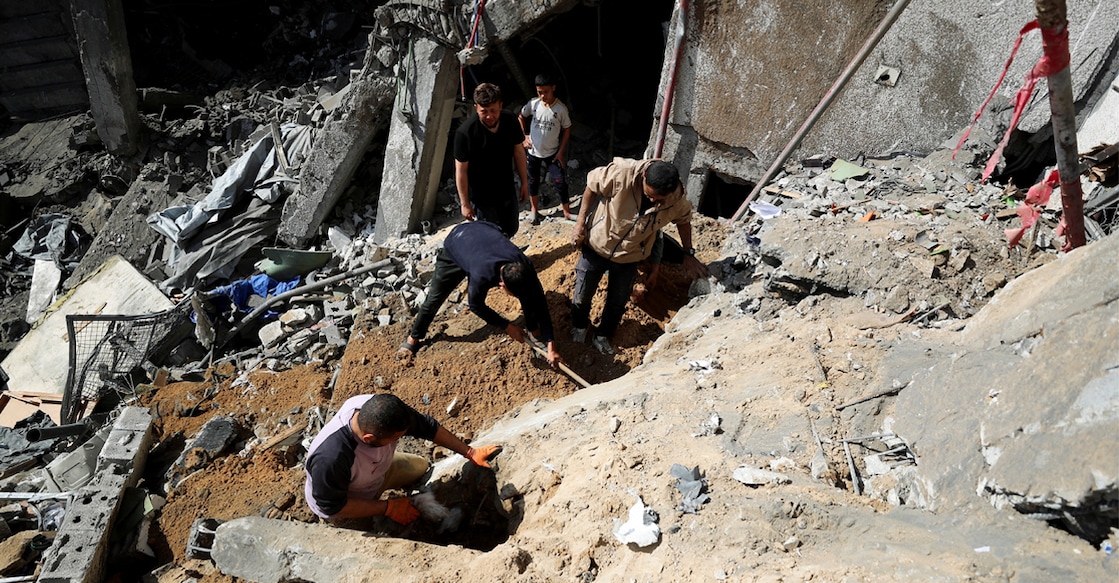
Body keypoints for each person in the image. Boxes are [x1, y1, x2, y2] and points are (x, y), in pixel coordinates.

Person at [570, 158, 708, 355]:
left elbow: (684, 220)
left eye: (659, 199)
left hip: (629, 256)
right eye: (649, 195)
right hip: (597, 245)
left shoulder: (675, 199)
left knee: (617, 302)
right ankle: (580, 327)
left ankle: (602, 336)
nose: (653, 201)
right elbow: (591, 186)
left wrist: (688, 253)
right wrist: (580, 222)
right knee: (582, 295)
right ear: (644, 176)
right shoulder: (621, 174)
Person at [303, 393, 500, 523]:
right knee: (366, 526)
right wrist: (388, 508)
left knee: (421, 467)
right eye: (395, 438)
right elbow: (332, 506)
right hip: (347, 499)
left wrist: (469, 452)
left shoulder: (381, 410)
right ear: (369, 438)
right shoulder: (331, 458)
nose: (400, 438)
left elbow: (426, 426)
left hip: (380, 469)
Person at [397, 220, 562, 367]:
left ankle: (535, 334)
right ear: (501, 284)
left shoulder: (524, 265)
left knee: (528, 294)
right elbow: (476, 305)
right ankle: (413, 338)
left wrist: (551, 343)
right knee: (433, 299)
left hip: (483, 234)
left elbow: (539, 300)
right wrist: (507, 326)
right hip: (456, 244)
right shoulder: (481, 275)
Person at [454, 82, 530, 238]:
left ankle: (506, 256)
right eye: (484, 111)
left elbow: (519, 152)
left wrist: (524, 182)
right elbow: (461, 171)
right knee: (490, 234)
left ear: (500, 106)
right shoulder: (465, 133)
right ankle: (499, 261)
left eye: (493, 110)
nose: (489, 116)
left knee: (511, 228)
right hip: (482, 196)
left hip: (506, 187)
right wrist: (465, 204)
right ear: (476, 107)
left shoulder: (510, 121)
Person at [518, 74, 573, 222]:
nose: (543, 96)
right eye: (539, 92)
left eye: (546, 92)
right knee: (532, 182)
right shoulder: (533, 104)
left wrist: (561, 152)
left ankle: (567, 212)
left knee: (560, 182)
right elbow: (521, 116)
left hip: (552, 153)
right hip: (533, 152)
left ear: (553, 88)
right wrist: (524, 137)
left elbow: (567, 128)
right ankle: (534, 210)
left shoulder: (560, 109)